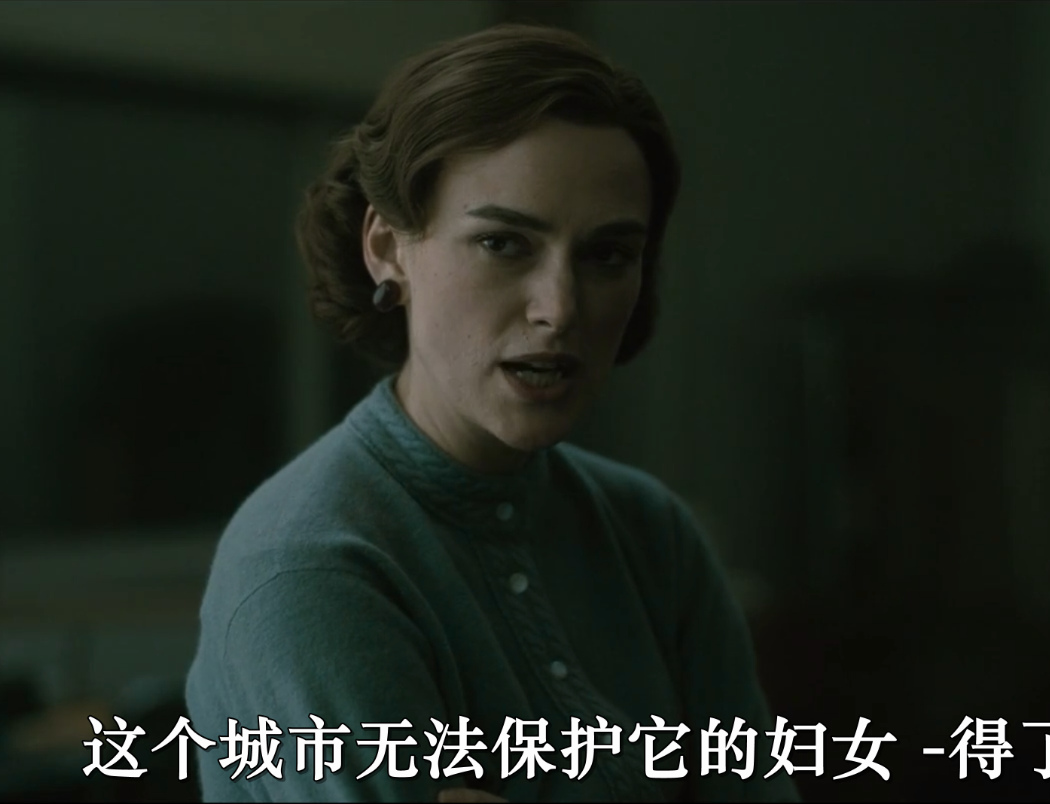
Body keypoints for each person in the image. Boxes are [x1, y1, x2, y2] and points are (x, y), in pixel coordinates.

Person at [185, 23, 797, 803]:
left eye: (608, 255)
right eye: (504, 244)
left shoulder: (653, 533)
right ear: (388, 247)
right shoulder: (311, 565)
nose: (560, 309)